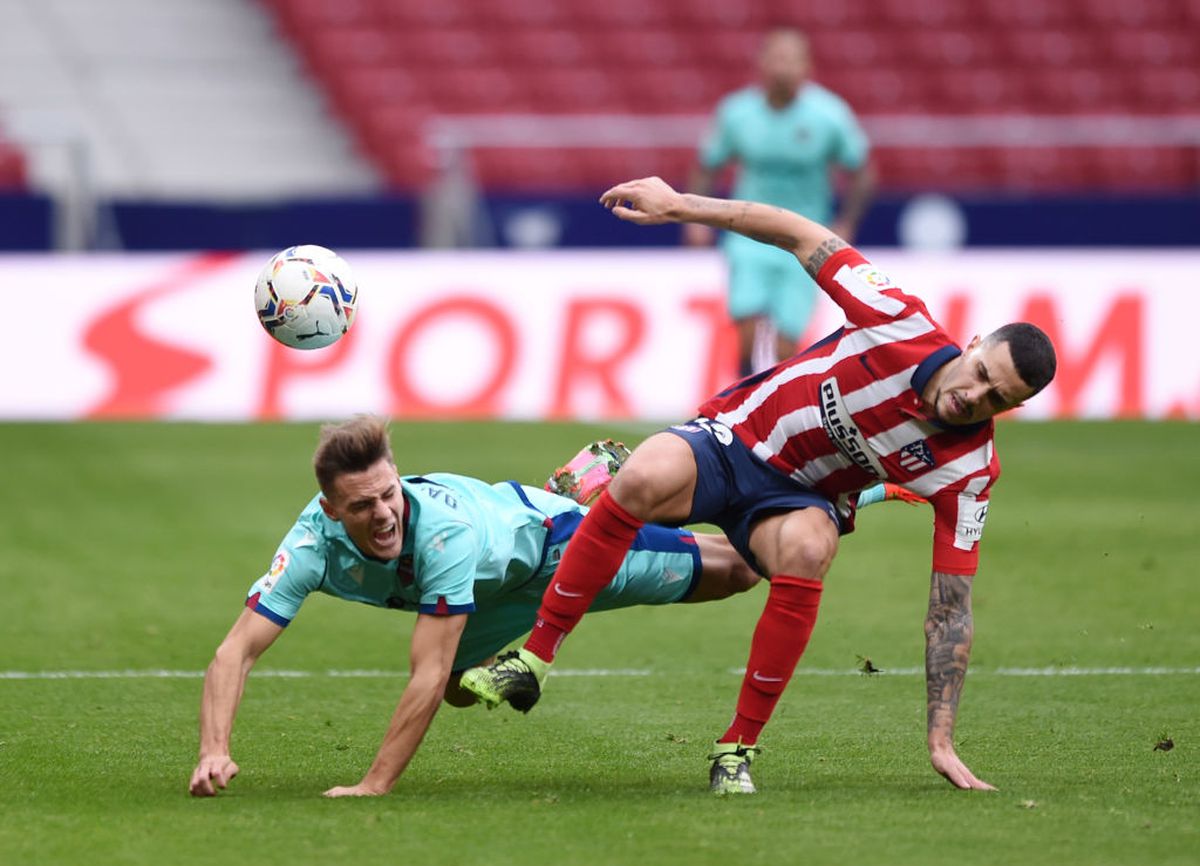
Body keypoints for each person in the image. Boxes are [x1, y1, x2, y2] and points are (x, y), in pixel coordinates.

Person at [461, 176, 1058, 796]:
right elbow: (802, 234)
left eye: (998, 399)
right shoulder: (897, 319)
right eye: (982, 373)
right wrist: (680, 205)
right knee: (642, 475)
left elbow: (951, 609)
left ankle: (736, 748)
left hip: (800, 500)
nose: (975, 397)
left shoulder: (969, 473)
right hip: (732, 439)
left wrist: (941, 738)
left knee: (806, 551)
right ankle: (531, 659)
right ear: (974, 343)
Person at [188, 419, 772, 798]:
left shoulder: (439, 535)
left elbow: (425, 668)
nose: (386, 513)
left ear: (398, 476)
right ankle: (600, 498)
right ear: (331, 508)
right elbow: (234, 650)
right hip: (490, 585)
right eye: (363, 505)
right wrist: (214, 750)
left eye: (390, 493)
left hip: (554, 550)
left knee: (742, 570)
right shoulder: (312, 543)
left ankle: (798, 495)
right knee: (463, 690)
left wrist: (374, 785)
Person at [687, 28, 875, 377]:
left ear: (807, 67)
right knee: (745, 318)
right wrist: (696, 221)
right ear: (761, 63)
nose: (782, 68)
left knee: (788, 338)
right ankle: (742, 390)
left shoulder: (829, 115)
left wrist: (847, 221)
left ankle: (774, 403)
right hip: (747, 232)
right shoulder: (737, 113)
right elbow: (707, 166)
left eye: (791, 60)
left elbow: (863, 172)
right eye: (776, 58)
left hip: (804, 238)